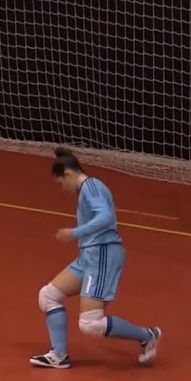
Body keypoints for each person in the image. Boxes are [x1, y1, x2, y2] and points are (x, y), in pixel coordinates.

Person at [31, 148, 161, 369]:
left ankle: (148, 335)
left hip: (102, 254)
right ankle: (59, 355)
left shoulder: (91, 187)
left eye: (61, 182)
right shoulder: (86, 190)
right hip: (88, 256)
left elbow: (106, 216)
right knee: (48, 296)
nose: (62, 188)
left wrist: (75, 233)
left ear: (68, 173)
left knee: (90, 324)